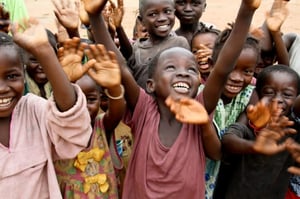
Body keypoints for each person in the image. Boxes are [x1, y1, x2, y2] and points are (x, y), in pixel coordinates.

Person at [82, 0, 261, 198]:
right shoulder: (143, 110)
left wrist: (247, 9)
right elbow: (122, 68)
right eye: (170, 68)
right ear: (151, 85)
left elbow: (222, 68)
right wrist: (95, 17)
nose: (183, 73)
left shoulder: (199, 108)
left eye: (191, 69)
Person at [0, 19, 94, 198]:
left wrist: (45, 53)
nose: (2, 88)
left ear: (23, 73)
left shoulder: (32, 109)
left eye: (12, 76)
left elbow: (74, 128)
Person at [213, 64, 300, 199]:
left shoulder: (293, 130)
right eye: (269, 92)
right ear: (258, 95)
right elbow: (228, 140)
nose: (277, 99)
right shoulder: (250, 125)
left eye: (287, 95)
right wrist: (254, 146)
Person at [54, 40, 125, 198]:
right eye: (76, 99)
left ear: (101, 100)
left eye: (90, 99)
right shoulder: (57, 127)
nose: (82, 106)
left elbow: (118, 111)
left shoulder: (102, 125)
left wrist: (114, 86)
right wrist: (66, 82)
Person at [199, 23, 260, 199]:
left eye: (247, 71)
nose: (236, 77)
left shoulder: (251, 94)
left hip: (231, 176)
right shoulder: (202, 96)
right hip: (202, 170)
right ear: (211, 65)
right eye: (230, 68)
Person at [127, 0, 190, 90]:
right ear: (142, 21)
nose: (162, 18)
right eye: (153, 14)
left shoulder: (180, 43)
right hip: (143, 103)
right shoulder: (137, 47)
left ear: (174, 13)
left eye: (167, 12)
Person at [23, 29, 57, 99]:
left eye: (47, 59)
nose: (42, 66)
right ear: (23, 59)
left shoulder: (64, 79)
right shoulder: (20, 84)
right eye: (34, 60)